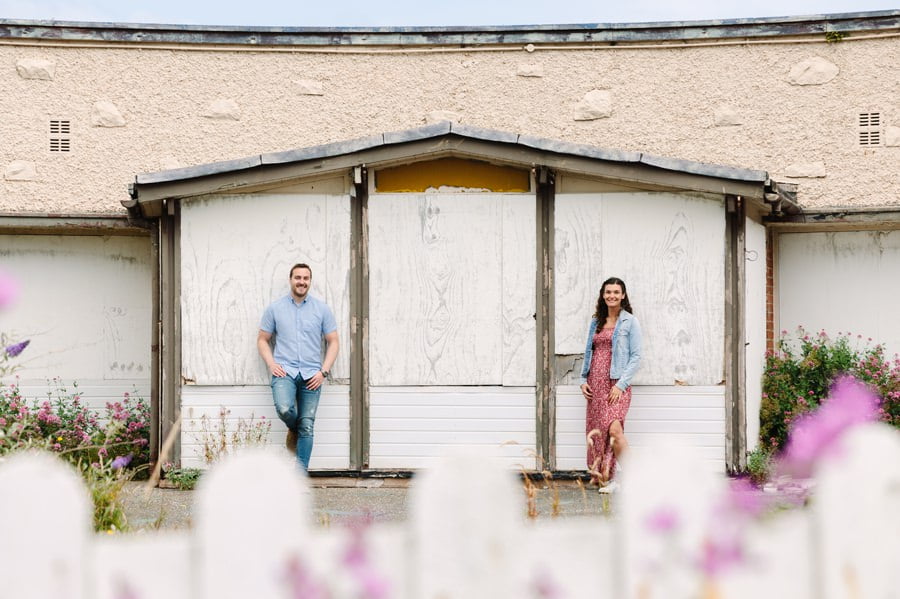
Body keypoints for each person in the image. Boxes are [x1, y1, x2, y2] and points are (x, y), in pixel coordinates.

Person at [257, 263, 339, 471]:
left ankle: (300, 475)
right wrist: (271, 364)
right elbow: (262, 339)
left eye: (306, 278)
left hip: (313, 374)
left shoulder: (322, 309)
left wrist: (324, 372)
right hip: (285, 371)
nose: (302, 282)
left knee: (308, 424)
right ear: (291, 280)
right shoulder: (275, 308)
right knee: (285, 409)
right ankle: (294, 428)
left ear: (310, 281)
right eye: (298, 277)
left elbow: (334, 342)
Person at [579, 277, 642, 493]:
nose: (612, 296)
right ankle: (608, 477)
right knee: (598, 432)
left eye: (616, 292)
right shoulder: (596, 321)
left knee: (614, 430)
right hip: (595, 383)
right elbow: (589, 352)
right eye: (608, 292)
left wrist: (620, 385)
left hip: (617, 385)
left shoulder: (630, 322)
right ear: (603, 294)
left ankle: (638, 478)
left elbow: (636, 357)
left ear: (623, 295)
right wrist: (582, 379)